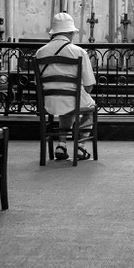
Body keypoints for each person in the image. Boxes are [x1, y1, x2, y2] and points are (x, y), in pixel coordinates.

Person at [35, 12, 96, 161]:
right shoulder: (79, 52)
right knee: (89, 108)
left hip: (48, 102)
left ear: (54, 32)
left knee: (65, 105)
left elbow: (37, 84)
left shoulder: (40, 52)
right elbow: (88, 87)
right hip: (73, 101)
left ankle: (61, 144)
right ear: (70, 32)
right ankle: (81, 147)